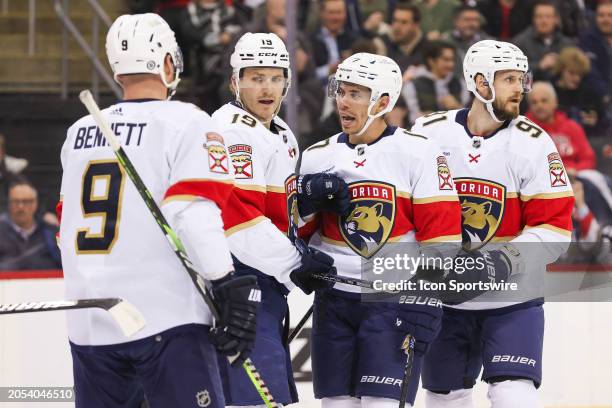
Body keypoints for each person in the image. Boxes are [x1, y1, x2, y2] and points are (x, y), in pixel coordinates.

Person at [58, 13, 261, 408]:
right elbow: (192, 211)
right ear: (168, 62)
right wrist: (224, 282)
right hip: (166, 319)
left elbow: (64, 228)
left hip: (89, 325)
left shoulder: (79, 132)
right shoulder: (186, 122)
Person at [411, 40, 574, 408]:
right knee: (443, 398)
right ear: (480, 83)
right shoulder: (428, 133)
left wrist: (502, 262)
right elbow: (405, 206)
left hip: (512, 298)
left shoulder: (534, 143)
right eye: (509, 79)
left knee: (514, 394)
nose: (520, 88)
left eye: (522, 78)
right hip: (446, 300)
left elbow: (555, 227)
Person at [299, 52, 463, 408]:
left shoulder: (419, 153)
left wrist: (426, 296)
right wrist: (305, 205)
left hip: (392, 303)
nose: (343, 100)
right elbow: (297, 236)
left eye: (356, 93)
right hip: (333, 303)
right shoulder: (315, 155)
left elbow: (443, 236)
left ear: (383, 101)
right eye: (341, 91)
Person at [212, 32, 339, 407]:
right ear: (235, 81)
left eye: (275, 77)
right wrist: (297, 261)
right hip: (236, 280)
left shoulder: (281, 132)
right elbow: (237, 221)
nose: (266, 88)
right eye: (255, 77)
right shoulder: (232, 132)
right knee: (254, 399)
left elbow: (277, 211)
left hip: (265, 281)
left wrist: (308, 197)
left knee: (271, 396)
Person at [527, 81, 596, 171]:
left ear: (555, 102)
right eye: (534, 102)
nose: (539, 105)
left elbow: (588, 159)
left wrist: (575, 171)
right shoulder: (524, 131)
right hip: (542, 179)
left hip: (576, 175)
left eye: (544, 101)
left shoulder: (572, 127)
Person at [402, 40, 469, 124]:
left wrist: (457, 107)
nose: (451, 64)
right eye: (446, 60)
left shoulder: (460, 83)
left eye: (452, 60)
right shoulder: (412, 86)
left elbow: (468, 118)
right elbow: (413, 118)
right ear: (431, 61)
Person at [0, 180, 61, 270]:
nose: (20, 207)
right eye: (15, 201)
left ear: (35, 203)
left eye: (26, 201)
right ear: (9, 204)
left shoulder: (50, 234)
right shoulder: (2, 232)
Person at [511, 0, 574, 80]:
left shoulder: (566, 44)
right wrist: (539, 65)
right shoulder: (520, 43)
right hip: (532, 87)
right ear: (534, 19)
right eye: (539, 17)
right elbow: (514, 70)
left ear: (556, 19)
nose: (544, 21)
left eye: (548, 17)